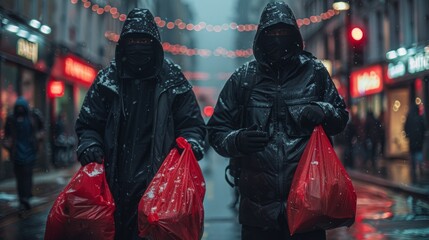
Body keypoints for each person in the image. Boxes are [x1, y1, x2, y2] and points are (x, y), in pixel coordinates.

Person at [207, 2, 349, 239]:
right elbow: (216, 131)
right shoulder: (244, 78)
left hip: (308, 208)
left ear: (294, 34)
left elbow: (341, 116)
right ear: (261, 36)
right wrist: (238, 140)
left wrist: (323, 110)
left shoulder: (314, 72)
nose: (277, 39)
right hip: (258, 215)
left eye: (283, 33)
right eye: (272, 33)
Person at [75, 8, 206, 240]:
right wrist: (89, 145)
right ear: (123, 44)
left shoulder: (172, 79)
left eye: (143, 40)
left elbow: (193, 125)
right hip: (112, 187)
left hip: (159, 188)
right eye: (133, 40)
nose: (138, 46)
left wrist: (190, 144)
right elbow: (88, 124)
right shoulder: (107, 80)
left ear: (154, 43)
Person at [2, 97, 44, 213]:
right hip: (16, 152)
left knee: (27, 175)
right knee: (20, 177)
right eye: (18, 108)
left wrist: (38, 137)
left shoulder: (33, 117)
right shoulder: (11, 119)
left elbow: (41, 128)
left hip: (29, 151)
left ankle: (25, 197)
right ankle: (23, 198)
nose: (20, 109)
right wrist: (7, 144)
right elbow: (6, 134)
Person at [404, 104, 426, 183]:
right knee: (419, 154)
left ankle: (414, 171)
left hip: (412, 141)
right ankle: (420, 168)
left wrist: (408, 135)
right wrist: (422, 137)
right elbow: (424, 129)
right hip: (419, 141)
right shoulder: (420, 118)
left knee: (413, 155)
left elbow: (405, 128)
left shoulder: (409, 118)